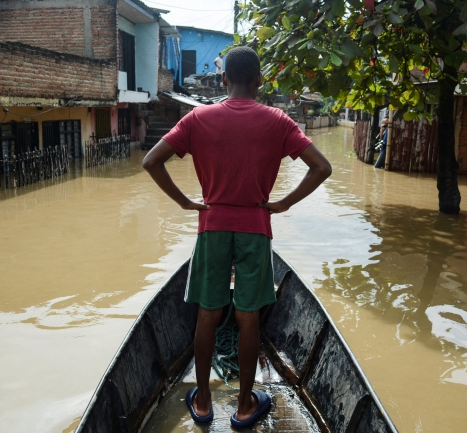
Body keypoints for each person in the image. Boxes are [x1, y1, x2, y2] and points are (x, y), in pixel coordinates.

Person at [142, 46, 332, 427]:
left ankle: (202, 403)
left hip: (211, 225)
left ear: (224, 79)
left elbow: (151, 161)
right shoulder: (278, 121)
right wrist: (283, 204)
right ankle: (245, 406)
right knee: (248, 318)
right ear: (260, 81)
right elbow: (321, 167)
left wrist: (185, 203)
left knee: (207, 314)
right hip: (256, 229)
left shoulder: (198, 118)